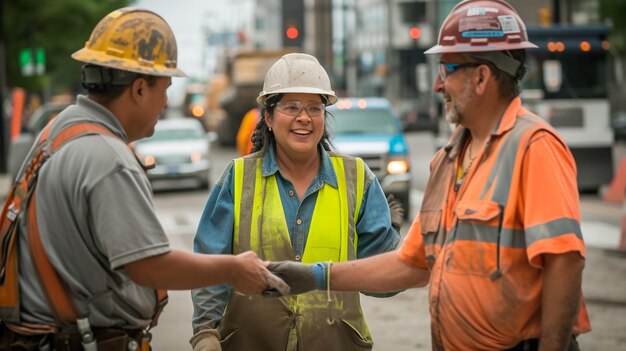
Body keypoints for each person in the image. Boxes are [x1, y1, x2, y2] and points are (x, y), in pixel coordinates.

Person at [267, 1, 591, 350]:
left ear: (481, 77)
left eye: (446, 69)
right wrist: (318, 276)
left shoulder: (534, 148)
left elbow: (564, 262)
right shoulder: (448, 160)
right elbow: (412, 264)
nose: (438, 85)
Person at [0, 8, 284, 351]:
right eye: (164, 88)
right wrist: (233, 269)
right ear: (138, 89)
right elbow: (149, 265)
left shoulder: (59, 131)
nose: (166, 103)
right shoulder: (107, 158)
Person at [189, 53, 405, 351]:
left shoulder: (356, 177)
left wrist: (396, 248)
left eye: (314, 108)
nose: (304, 117)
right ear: (268, 116)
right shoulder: (239, 178)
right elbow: (210, 265)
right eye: (291, 107)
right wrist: (205, 332)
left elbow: (386, 281)